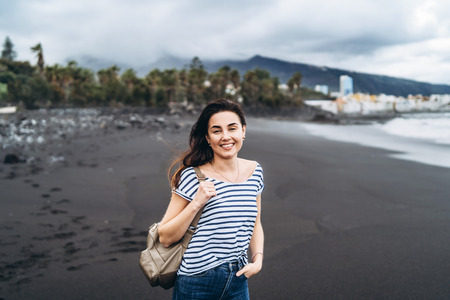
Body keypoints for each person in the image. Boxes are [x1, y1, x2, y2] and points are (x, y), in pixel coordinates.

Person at [158, 98, 265, 300]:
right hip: (197, 280)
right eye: (217, 131)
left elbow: (256, 222)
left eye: (232, 128)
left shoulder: (255, 171)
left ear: (243, 131)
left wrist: (257, 259)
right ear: (208, 138)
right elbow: (165, 237)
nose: (226, 137)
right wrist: (196, 203)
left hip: (238, 278)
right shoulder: (192, 176)